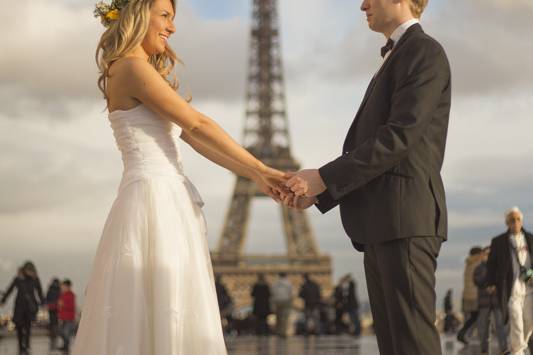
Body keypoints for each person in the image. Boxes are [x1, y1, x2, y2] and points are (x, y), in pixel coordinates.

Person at [72, 0, 288, 354]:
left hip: (164, 197)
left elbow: (195, 138)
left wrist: (256, 175)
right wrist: (262, 169)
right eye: (166, 16)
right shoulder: (130, 67)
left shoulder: (138, 70)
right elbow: (197, 124)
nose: (172, 28)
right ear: (137, 15)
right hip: (155, 200)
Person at [284, 0, 451, 354]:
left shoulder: (423, 51)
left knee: (412, 345)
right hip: (384, 222)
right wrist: (320, 191)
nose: (362, 5)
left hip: (404, 220)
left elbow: (399, 137)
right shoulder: (400, 54)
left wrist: (324, 178)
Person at [487, 207, 533, 355]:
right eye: (512, 220)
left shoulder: (531, 239)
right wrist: (490, 283)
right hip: (511, 290)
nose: (515, 222)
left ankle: (517, 347)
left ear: (522, 221)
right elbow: (491, 265)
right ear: (507, 222)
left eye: (518, 219)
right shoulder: (499, 241)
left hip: (530, 289)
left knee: (529, 321)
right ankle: (517, 352)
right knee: (517, 323)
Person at [0, 262, 45, 355]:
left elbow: (39, 292)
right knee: (19, 326)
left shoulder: (35, 279)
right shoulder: (18, 279)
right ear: (25, 270)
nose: (30, 272)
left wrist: (43, 303)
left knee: (28, 326)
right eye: (28, 270)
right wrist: (3, 301)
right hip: (19, 306)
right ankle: (21, 346)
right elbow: (10, 289)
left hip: (29, 307)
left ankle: (27, 345)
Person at [474, 246, 509, 355]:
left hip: (497, 301)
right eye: (486, 254)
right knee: (483, 326)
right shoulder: (479, 268)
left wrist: (494, 285)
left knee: (500, 325)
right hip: (484, 302)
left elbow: (503, 280)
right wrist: (488, 283)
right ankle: (484, 349)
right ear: (482, 255)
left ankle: (504, 349)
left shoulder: (499, 267)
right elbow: (477, 280)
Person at [457, 246, 484, 345]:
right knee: (481, 317)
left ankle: (462, 334)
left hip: (467, 295)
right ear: (477, 254)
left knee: (474, 317)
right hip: (475, 295)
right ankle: (483, 340)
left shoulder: (468, 263)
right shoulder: (477, 263)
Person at [271, 273, 293, 337]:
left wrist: (273, 302)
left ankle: (279, 331)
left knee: (278, 317)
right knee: (285, 317)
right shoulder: (288, 283)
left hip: (277, 301)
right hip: (286, 301)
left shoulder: (275, 283)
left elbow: (272, 293)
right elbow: (290, 293)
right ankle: (283, 331)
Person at [58, 279, 76, 354]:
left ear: (67, 287)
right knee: (61, 332)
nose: (62, 288)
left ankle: (66, 346)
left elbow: (72, 306)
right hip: (63, 317)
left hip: (69, 318)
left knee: (66, 333)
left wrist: (63, 305)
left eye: (63, 286)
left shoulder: (71, 295)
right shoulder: (62, 295)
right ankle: (64, 345)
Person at [45, 278, 61, 350]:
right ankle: (55, 334)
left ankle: (52, 334)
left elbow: (46, 298)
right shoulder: (59, 289)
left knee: (52, 321)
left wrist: (47, 304)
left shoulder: (50, 289)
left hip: (51, 307)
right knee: (56, 321)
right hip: (56, 307)